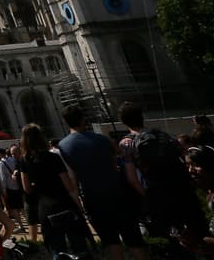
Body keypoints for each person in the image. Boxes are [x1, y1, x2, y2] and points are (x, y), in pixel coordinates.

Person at [56, 105, 147, 260]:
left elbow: (73, 179)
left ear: (65, 122)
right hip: (118, 195)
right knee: (133, 241)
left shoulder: (63, 146)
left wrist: (78, 205)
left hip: (94, 200)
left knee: (112, 243)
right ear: (83, 118)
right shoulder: (102, 139)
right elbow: (115, 167)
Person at [118, 101, 208, 244]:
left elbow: (132, 179)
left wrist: (149, 196)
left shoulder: (127, 143)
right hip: (183, 190)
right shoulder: (164, 135)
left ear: (123, 121)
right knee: (201, 232)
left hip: (159, 195)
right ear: (142, 117)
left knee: (175, 238)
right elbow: (185, 158)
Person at [18, 124, 87, 259]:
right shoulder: (53, 157)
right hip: (64, 203)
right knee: (78, 246)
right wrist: (78, 202)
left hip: (45, 207)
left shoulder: (24, 161)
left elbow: (27, 189)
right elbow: (68, 185)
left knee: (57, 249)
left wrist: (37, 185)